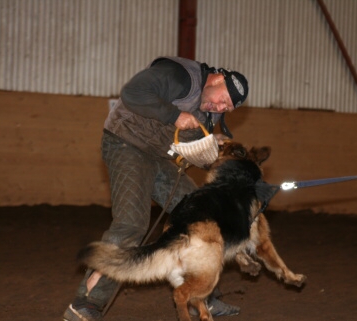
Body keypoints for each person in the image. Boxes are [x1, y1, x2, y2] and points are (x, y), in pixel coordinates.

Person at [63, 56, 249, 321]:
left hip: (160, 158)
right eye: (222, 99)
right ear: (217, 80)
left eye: (226, 107)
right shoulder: (179, 76)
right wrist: (175, 115)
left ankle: (204, 297)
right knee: (131, 225)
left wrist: (210, 145)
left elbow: (188, 146)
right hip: (126, 143)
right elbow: (132, 93)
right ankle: (86, 303)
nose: (220, 107)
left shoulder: (210, 112)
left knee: (204, 215)